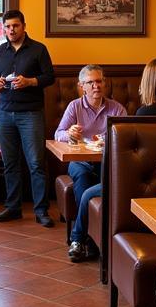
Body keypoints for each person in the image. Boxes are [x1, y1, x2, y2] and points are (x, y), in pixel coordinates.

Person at [69, 58, 156, 264]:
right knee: (83, 177)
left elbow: (130, 160)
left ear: (148, 83)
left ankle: (78, 239)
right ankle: (82, 240)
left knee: (87, 194)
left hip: (140, 186)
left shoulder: (143, 114)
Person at [0, 10, 56, 228]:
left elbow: (49, 77)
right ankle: (13, 207)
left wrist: (30, 82)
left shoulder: (38, 49)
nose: (11, 30)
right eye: (7, 26)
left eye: (15, 26)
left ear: (24, 26)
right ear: (4, 28)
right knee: (10, 163)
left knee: (36, 163)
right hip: (5, 113)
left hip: (31, 113)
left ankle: (41, 210)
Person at [54, 65, 126, 263]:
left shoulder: (117, 108)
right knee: (82, 180)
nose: (96, 86)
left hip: (107, 161)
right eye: (91, 82)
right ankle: (90, 240)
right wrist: (68, 134)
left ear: (105, 83)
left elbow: (126, 139)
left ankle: (81, 240)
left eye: (100, 81)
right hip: (80, 160)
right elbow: (58, 133)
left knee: (93, 185)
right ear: (81, 86)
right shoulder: (74, 106)